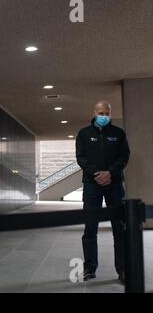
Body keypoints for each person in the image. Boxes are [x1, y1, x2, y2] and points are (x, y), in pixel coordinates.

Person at [76, 101, 130, 282]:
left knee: (119, 228)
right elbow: (81, 157)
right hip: (92, 185)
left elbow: (124, 156)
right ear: (94, 112)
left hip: (114, 185)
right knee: (90, 228)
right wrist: (96, 174)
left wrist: (111, 173)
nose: (104, 115)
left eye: (107, 112)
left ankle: (122, 269)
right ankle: (90, 268)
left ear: (110, 112)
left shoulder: (118, 134)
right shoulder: (84, 134)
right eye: (101, 112)